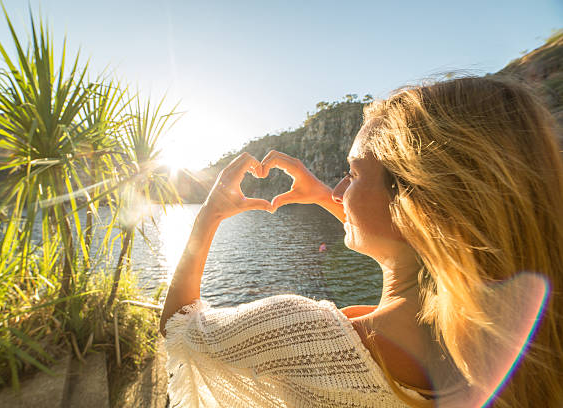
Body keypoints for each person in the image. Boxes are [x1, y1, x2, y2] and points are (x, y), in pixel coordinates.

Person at [160, 77, 563, 407]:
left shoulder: (306, 337)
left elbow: (180, 329)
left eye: (352, 174)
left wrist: (208, 213)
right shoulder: (511, 345)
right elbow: (413, 255)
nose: (338, 189)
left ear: (414, 202)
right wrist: (322, 195)